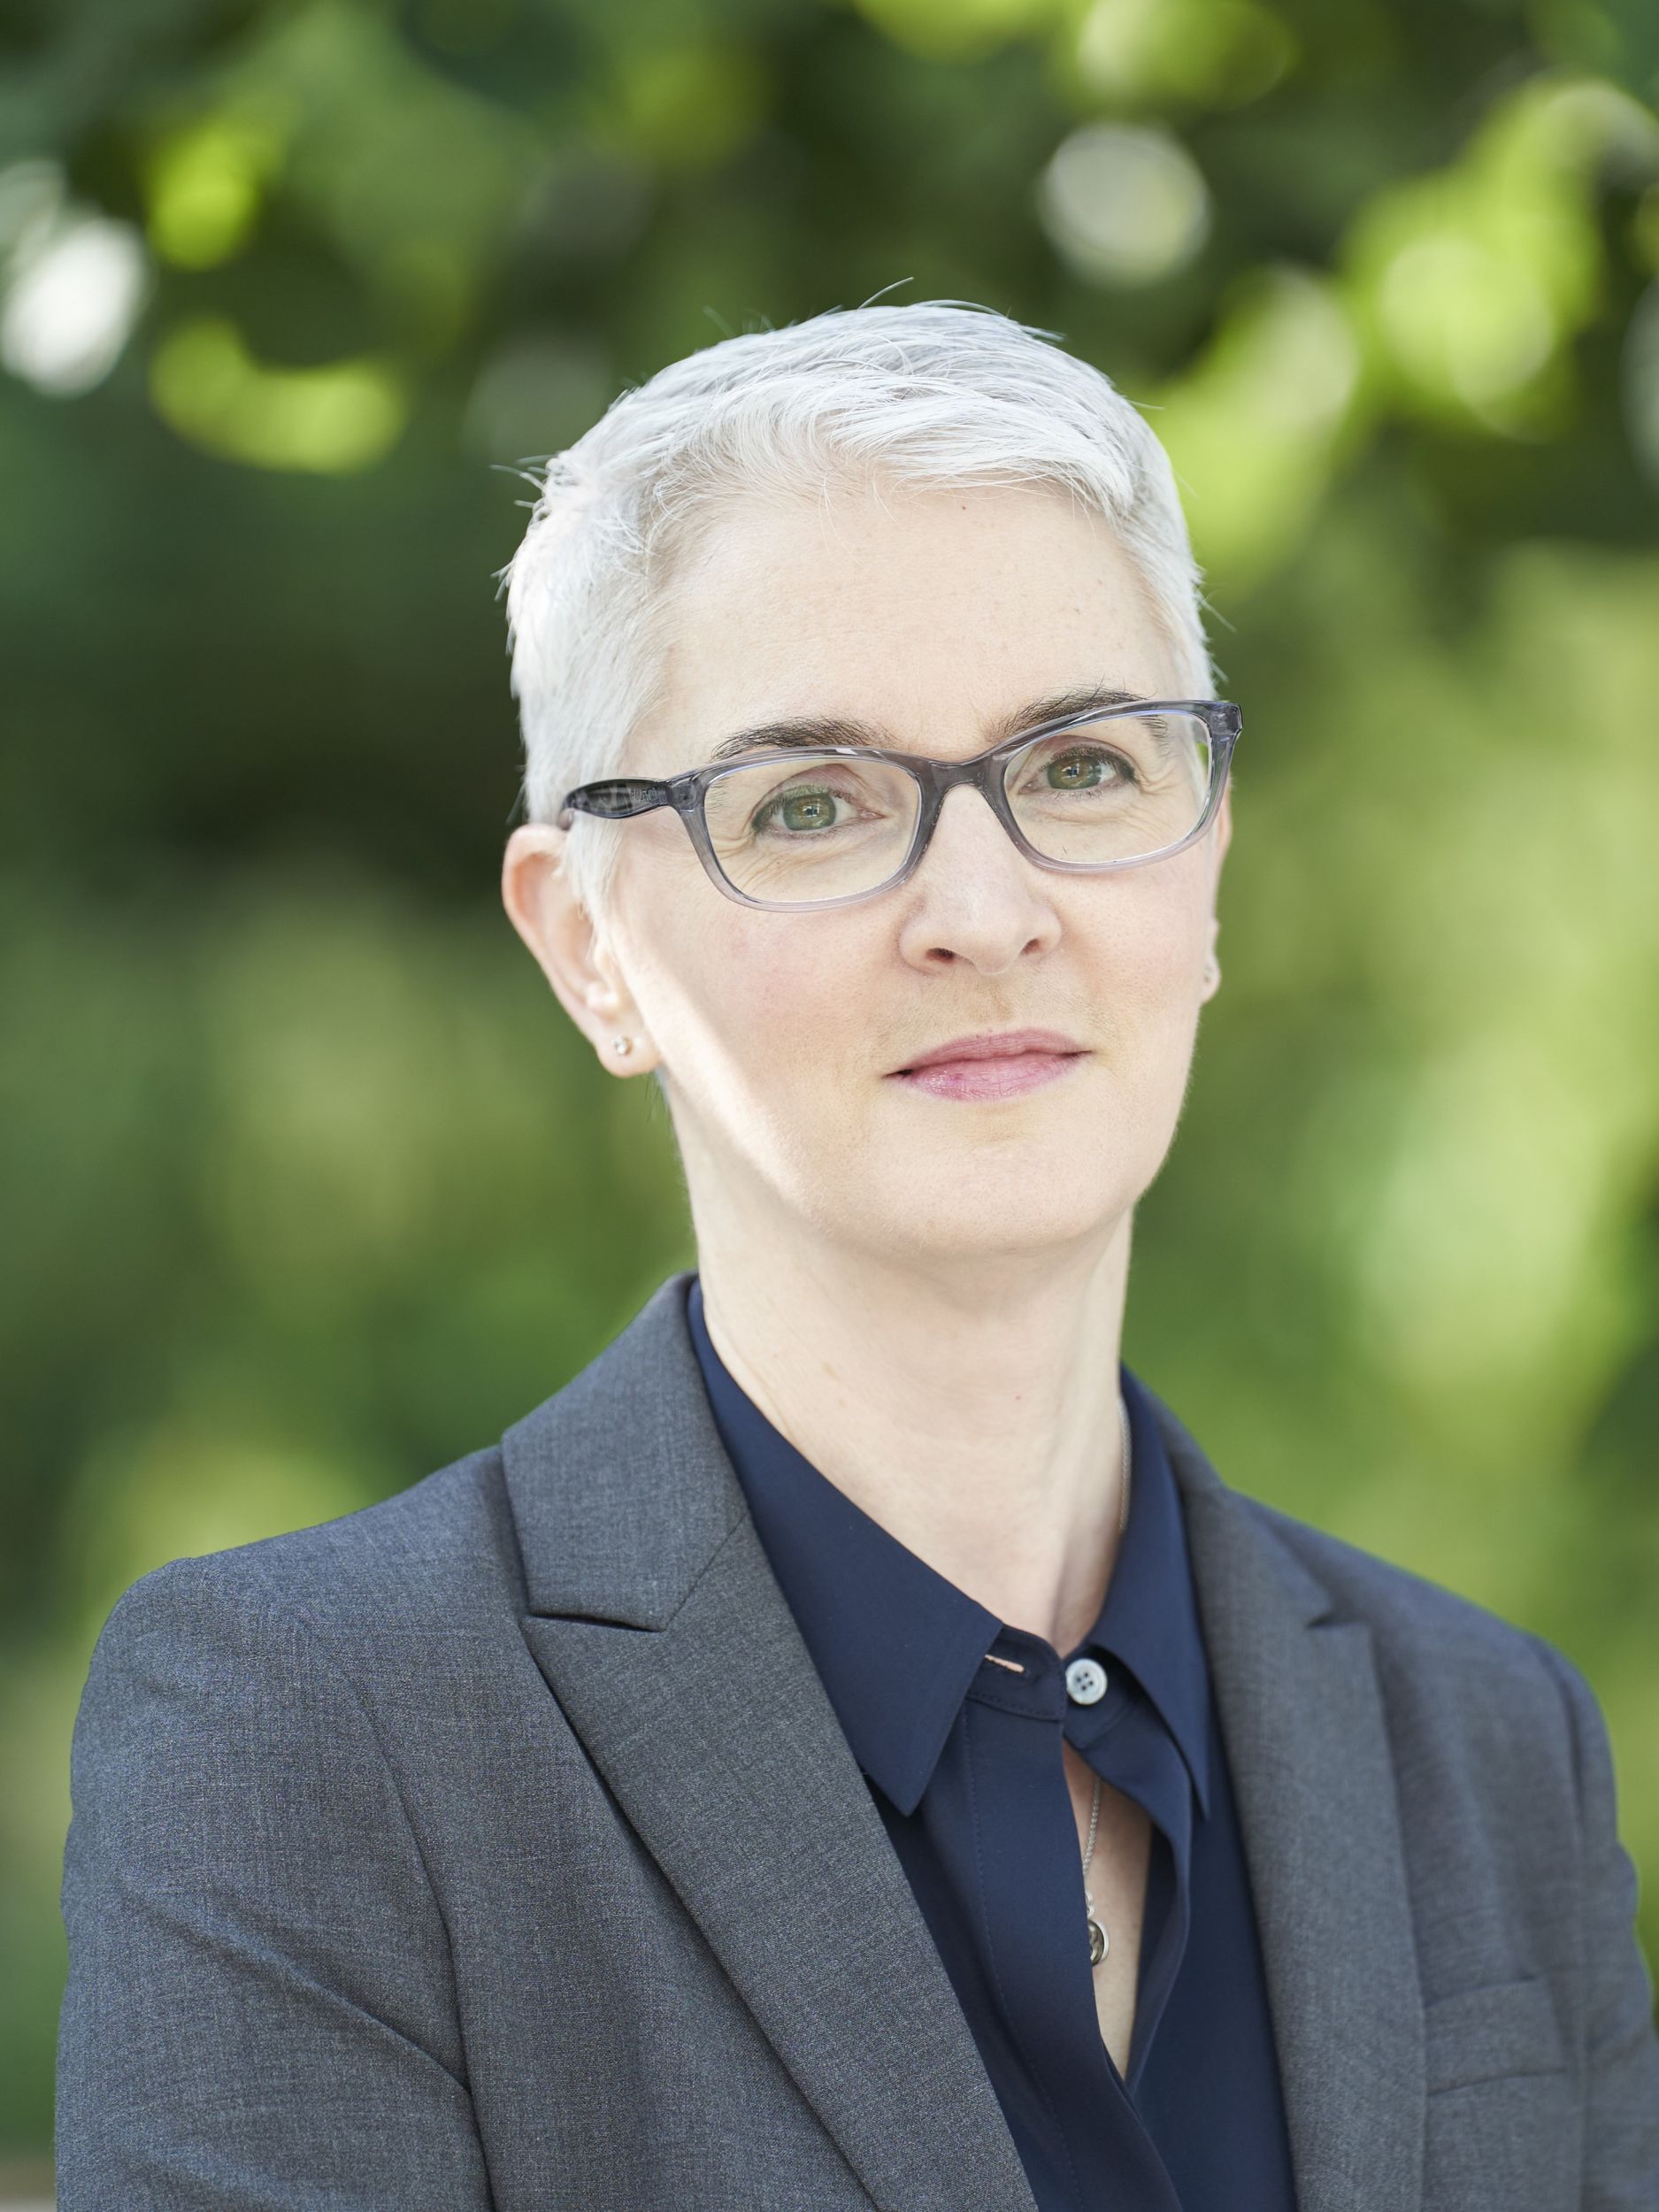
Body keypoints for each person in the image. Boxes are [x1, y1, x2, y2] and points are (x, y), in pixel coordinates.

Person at [56, 301, 1658, 2212]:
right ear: (586, 943)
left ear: (1209, 854)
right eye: (810, 803)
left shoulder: (1486, 1743)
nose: (984, 911)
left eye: (1082, 767)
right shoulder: (311, 1745)